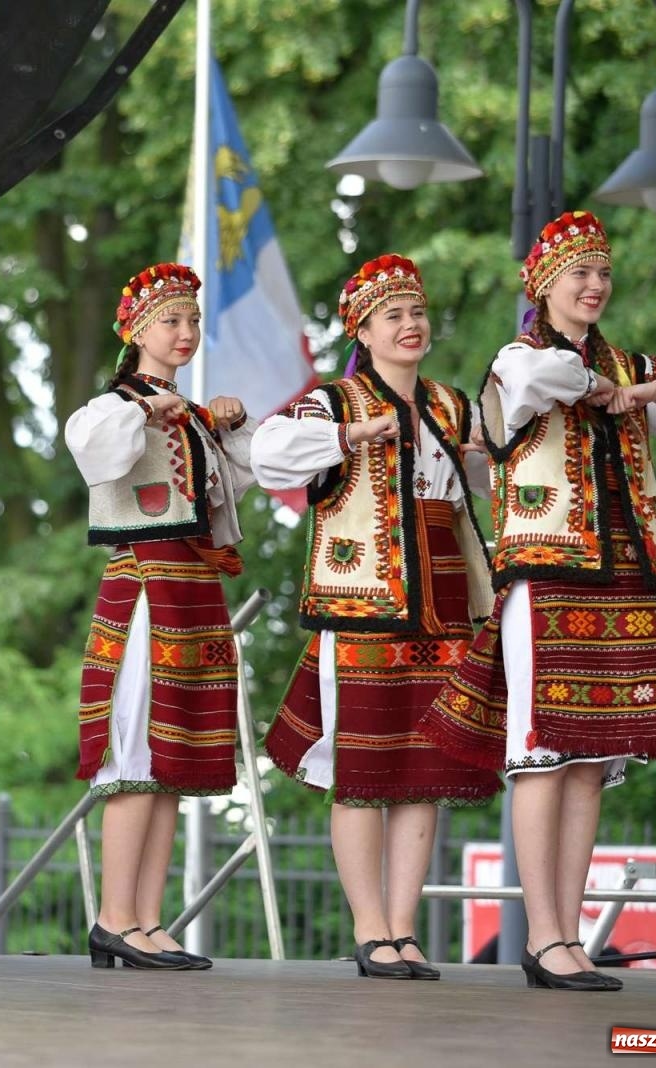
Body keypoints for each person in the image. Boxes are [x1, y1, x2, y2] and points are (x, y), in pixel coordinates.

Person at [422, 211, 656, 990]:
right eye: (579, 273)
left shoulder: (630, 368)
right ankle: (544, 936)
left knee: (592, 760)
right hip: (546, 576)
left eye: (602, 273)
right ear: (544, 285)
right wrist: (612, 388)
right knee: (545, 752)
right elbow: (546, 381)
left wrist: (650, 389)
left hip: (623, 576)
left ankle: (567, 935)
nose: (595, 285)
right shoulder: (518, 358)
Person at [254, 253, 500, 980]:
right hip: (362, 603)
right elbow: (271, 456)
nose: (411, 324)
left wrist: (487, 456)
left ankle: (403, 926)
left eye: (417, 312)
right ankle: (369, 928)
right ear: (362, 331)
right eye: (393, 315)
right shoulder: (335, 402)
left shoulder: (451, 404)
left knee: (423, 770)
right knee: (363, 769)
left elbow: (482, 481)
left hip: (443, 605)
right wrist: (352, 436)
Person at [64, 262, 256, 970]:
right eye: (170, 321)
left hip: (193, 585)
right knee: (137, 749)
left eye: (192, 320)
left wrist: (230, 424)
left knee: (170, 757)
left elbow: (237, 484)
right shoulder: (114, 405)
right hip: (146, 583)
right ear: (137, 332)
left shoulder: (194, 416)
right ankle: (115, 917)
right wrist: (150, 410)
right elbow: (92, 447)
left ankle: (146, 918)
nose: (185, 332)